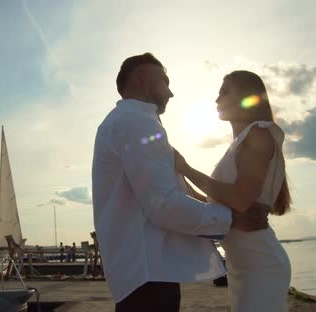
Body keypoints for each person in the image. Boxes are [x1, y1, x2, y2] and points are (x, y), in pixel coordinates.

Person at [92, 52, 234, 312]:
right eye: (165, 81)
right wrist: (231, 220)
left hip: (143, 271)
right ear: (142, 77)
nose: (170, 93)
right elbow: (164, 205)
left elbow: (170, 192)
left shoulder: (127, 122)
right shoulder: (136, 122)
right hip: (148, 275)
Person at [174, 70, 292, 312]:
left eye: (225, 91)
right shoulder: (240, 143)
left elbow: (239, 199)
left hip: (260, 264)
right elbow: (223, 204)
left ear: (247, 98)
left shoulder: (259, 133)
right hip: (243, 264)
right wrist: (181, 185)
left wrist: (186, 168)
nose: (217, 99)